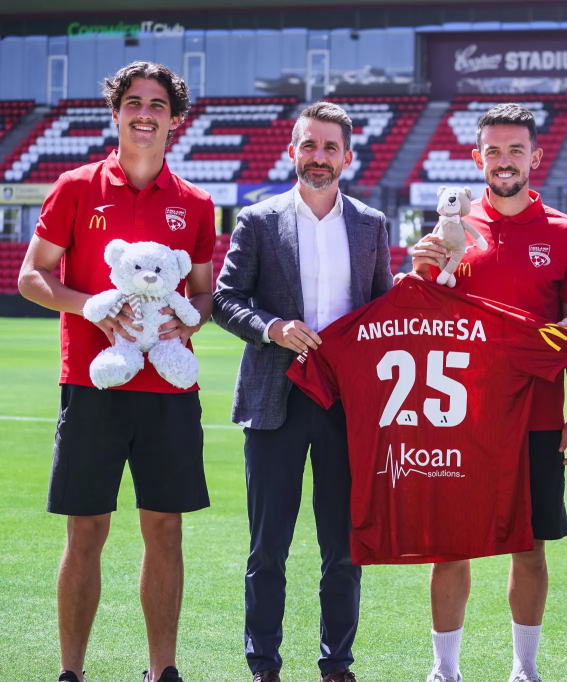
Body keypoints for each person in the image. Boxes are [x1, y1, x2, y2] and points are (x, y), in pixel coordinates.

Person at [17, 62, 215, 682]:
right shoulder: (75, 186)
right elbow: (31, 277)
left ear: (174, 121)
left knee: (166, 531)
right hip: (92, 383)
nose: (144, 114)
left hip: (169, 391)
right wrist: (91, 309)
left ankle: (163, 671)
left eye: (157, 105)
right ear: (116, 112)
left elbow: (204, 293)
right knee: (86, 532)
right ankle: (71, 672)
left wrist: (189, 319)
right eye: (134, 102)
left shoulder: (196, 203)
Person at [410, 103, 567, 682]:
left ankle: (524, 669)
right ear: (477, 158)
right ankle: (445, 670)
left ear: (535, 156)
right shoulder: (451, 230)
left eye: (516, 149)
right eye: (494, 150)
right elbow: (423, 320)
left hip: (538, 417)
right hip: (458, 417)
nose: (505, 160)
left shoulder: (566, 233)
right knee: (450, 546)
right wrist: (418, 274)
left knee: (530, 547)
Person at [211, 102, 394, 682]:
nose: (319, 157)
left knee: (343, 549)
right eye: (309, 145)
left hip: (346, 406)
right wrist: (272, 327)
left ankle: (336, 665)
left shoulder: (371, 224)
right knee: (268, 549)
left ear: (347, 156)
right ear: (292, 151)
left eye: (329, 147)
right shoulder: (258, 220)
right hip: (275, 401)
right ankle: (263, 665)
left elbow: (384, 310)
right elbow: (224, 300)